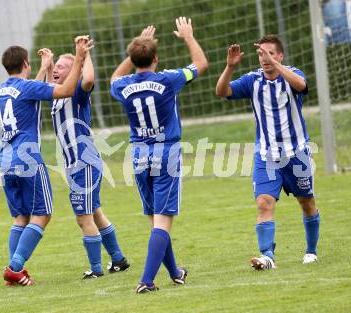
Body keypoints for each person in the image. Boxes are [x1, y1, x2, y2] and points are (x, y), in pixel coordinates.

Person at [110, 18, 208, 293]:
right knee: (162, 221)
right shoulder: (167, 79)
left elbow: (114, 78)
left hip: (139, 154)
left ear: (133, 58)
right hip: (166, 152)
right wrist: (188, 36)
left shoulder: (124, 85)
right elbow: (200, 65)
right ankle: (146, 280)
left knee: (155, 220)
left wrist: (133, 51)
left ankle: (175, 272)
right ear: (156, 58)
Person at [215, 35, 320, 270]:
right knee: (264, 203)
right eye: (261, 54)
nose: (265, 59)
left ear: (280, 55)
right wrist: (230, 67)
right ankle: (267, 256)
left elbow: (302, 86)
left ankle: (311, 251)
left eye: (270, 53)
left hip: (297, 154)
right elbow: (222, 91)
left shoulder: (292, 74)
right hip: (266, 156)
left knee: (307, 202)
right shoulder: (252, 81)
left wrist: (277, 66)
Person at [0, 36, 93, 286]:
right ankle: (15, 268)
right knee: (43, 214)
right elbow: (65, 90)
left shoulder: (2, 90)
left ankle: (13, 272)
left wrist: (44, 67)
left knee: (20, 217)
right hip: (27, 158)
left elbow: (29, 88)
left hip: (5, 160)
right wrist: (79, 58)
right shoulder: (27, 88)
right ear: (25, 64)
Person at [36, 38, 129, 279]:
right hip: (76, 166)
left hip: (84, 164)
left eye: (62, 67)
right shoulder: (58, 95)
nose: (57, 69)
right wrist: (47, 65)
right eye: (56, 67)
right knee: (95, 212)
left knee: (83, 217)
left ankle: (96, 270)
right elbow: (47, 87)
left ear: (74, 72)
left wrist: (83, 56)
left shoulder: (77, 91)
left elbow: (88, 79)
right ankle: (118, 259)